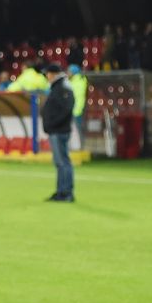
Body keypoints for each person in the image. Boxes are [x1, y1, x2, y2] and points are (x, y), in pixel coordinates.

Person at [42, 63, 76, 202]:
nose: (46, 76)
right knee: (60, 162)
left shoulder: (63, 87)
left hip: (59, 130)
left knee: (63, 162)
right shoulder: (59, 86)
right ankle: (61, 191)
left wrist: (53, 123)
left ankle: (66, 193)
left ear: (53, 74)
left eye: (47, 74)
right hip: (56, 130)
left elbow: (67, 109)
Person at [68, 63, 88, 145]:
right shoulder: (81, 80)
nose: (68, 73)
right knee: (79, 129)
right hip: (78, 108)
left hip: (75, 109)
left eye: (69, 71)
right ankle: (82, 145)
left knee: (77, 129)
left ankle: (81, 146)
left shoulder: (74, 82)